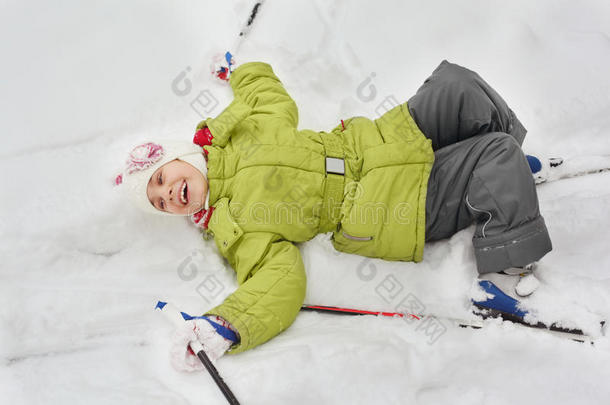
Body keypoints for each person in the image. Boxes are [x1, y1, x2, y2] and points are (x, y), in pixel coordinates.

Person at [115, 59, 552, 371]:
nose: (168, 194)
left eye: (161, 178)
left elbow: (270, 99)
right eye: (159, 202)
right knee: (497, 156)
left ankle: (506, 180)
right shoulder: (235, 226)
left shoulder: (243, 135)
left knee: (458, 85)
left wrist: (242, 75)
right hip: (386, 205)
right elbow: (277, 282)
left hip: (380, 142)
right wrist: (227, 325)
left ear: (183, 156)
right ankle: (502, 271)